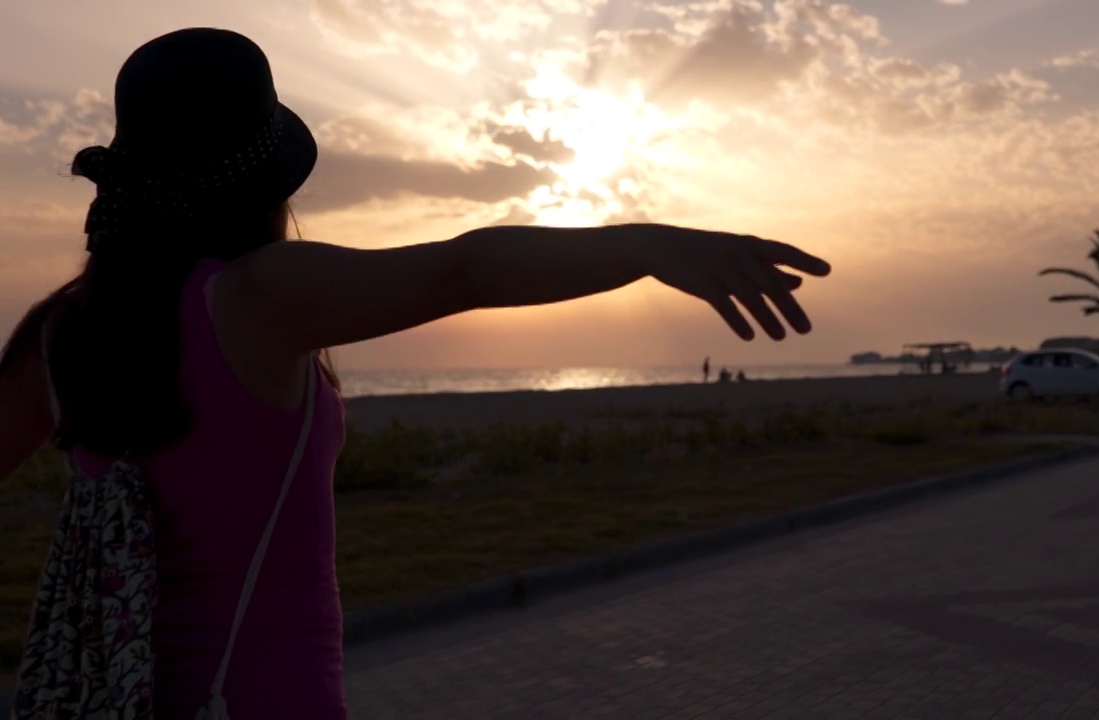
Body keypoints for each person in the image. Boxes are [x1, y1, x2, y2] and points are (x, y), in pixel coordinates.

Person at [0, 27, 830, 720]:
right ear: (265, 182)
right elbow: (464, 270)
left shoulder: (61, 328)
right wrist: (645, 244)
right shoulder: (257, 297)